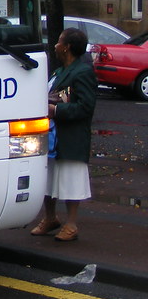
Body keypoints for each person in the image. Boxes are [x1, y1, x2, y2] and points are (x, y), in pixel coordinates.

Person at [29, 27, 98, 241]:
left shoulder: (83, 72)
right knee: (48, 179)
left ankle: (71, 224)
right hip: (52, 136)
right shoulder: (58, 72)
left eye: (59, 41)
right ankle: (50, 218)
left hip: (71, 137)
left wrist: (55, 110)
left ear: (67, 47)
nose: (56, 45)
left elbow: (86, 107)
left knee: (70, 181)